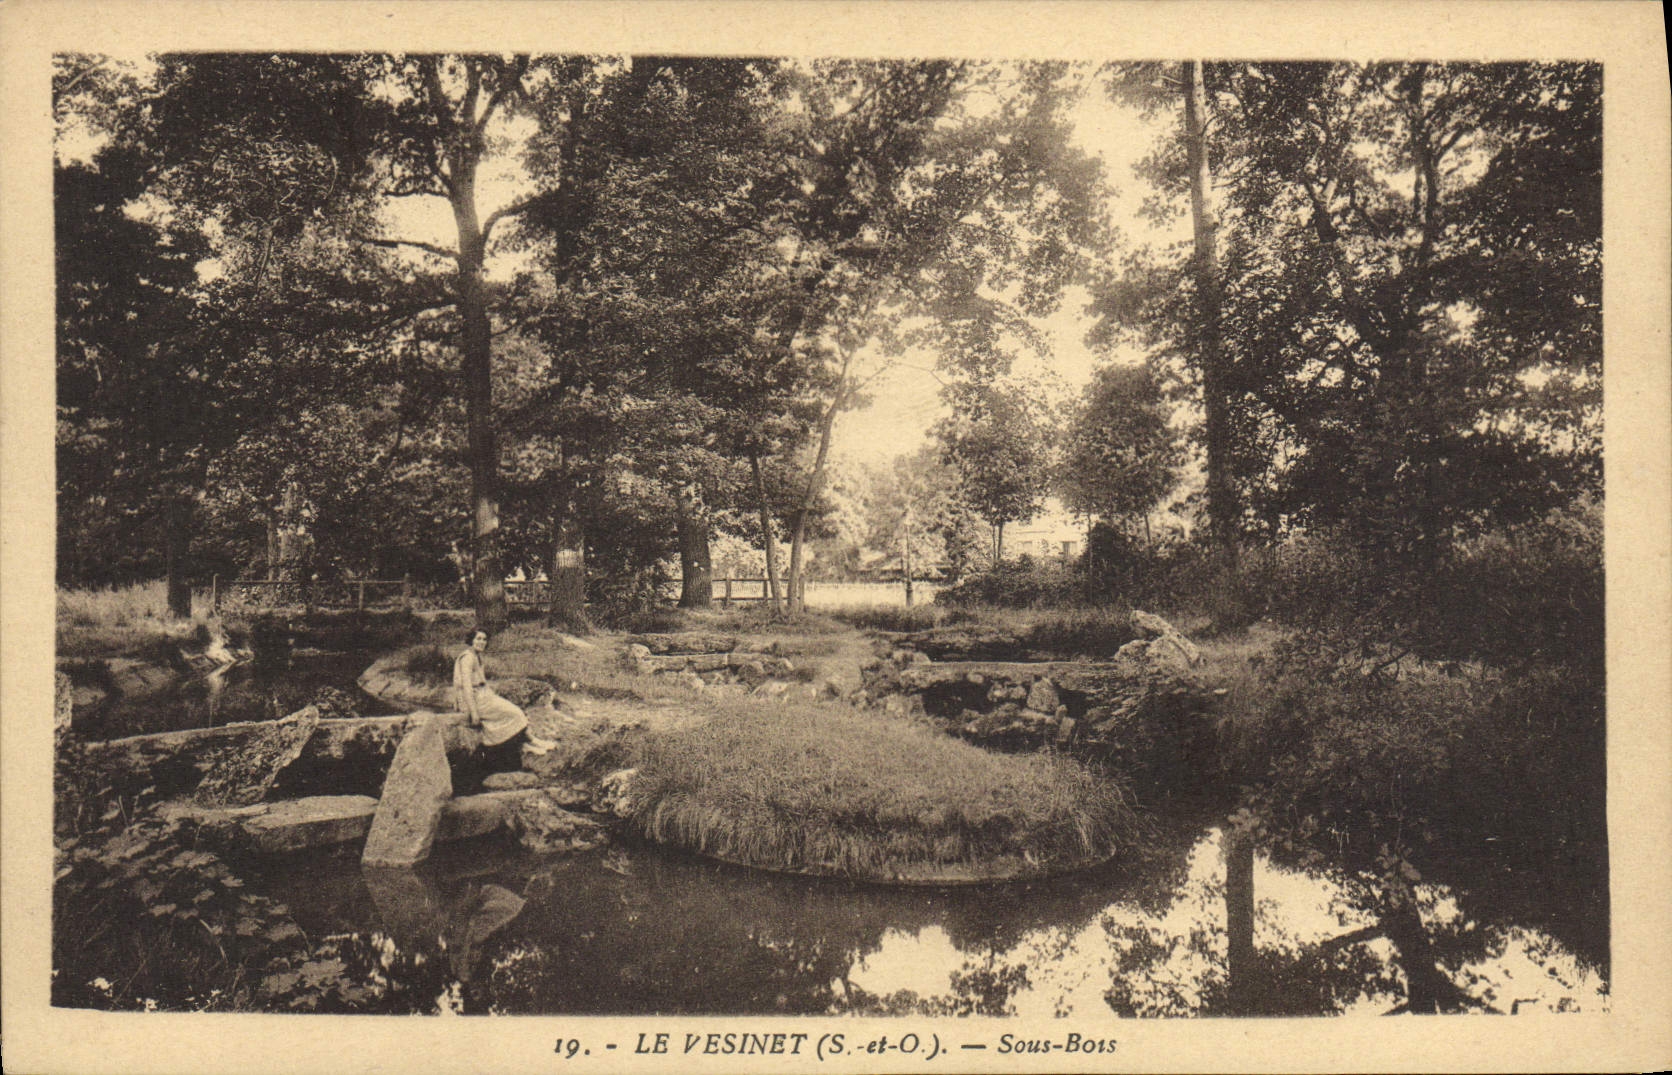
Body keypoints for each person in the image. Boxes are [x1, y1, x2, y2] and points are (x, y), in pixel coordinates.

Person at [454, 628, 555, 775]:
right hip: (473, 700)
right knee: (516, 713)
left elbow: (482, 682)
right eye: (478, 639)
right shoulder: (467, 658)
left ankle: (527, 743)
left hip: (482, 695)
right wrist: (474, 712)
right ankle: (531, 741)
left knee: (514, 712)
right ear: (471, 640)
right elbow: (467, 687)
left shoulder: (476, 656)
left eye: (484, 639)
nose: (482, 642)